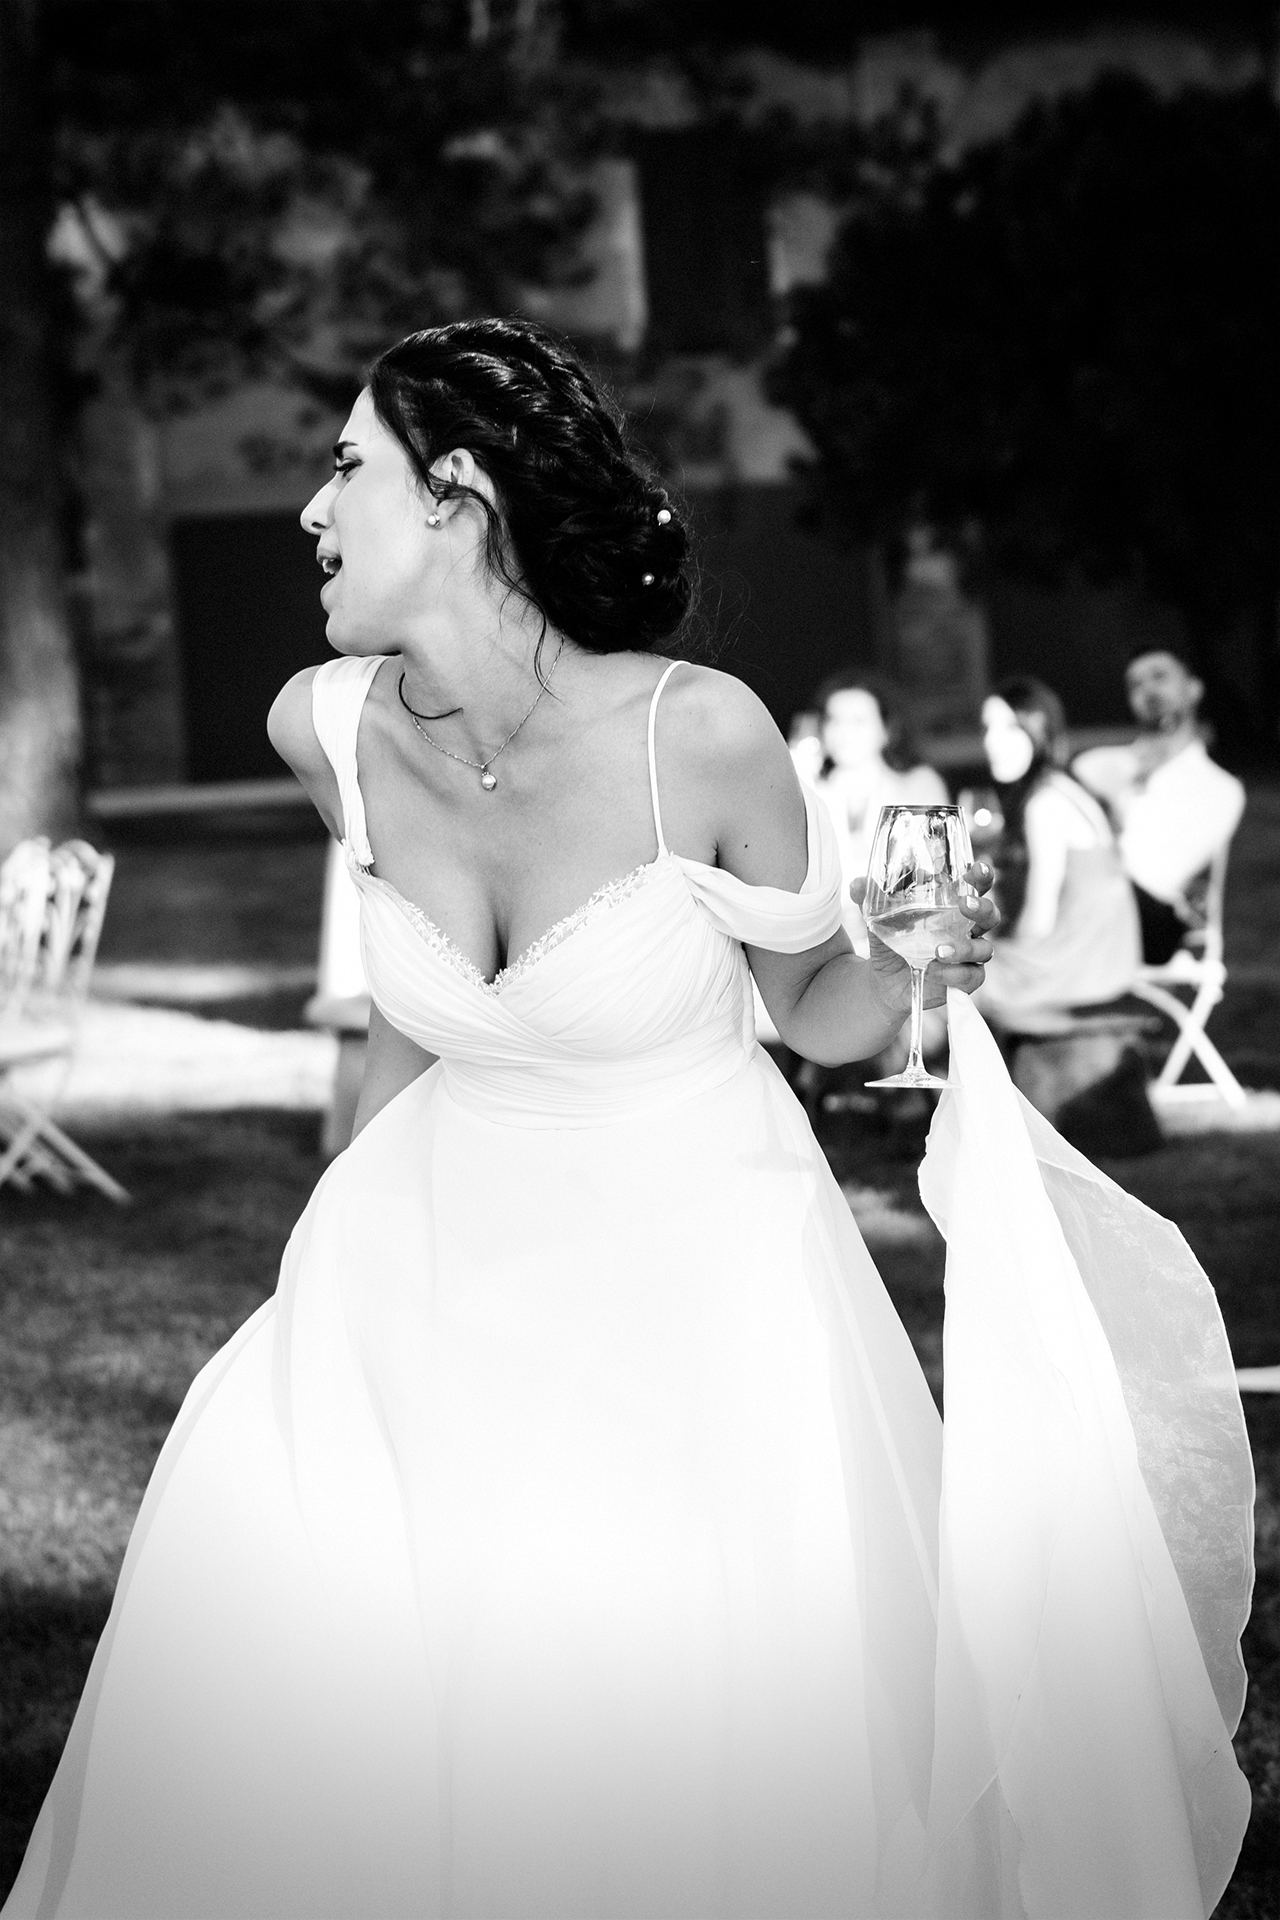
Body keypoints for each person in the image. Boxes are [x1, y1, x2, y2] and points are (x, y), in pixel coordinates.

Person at [4, 320, 1251, 1920]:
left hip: (695, 1308)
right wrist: (325, 1276)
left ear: (456, 495)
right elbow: (411, 1022)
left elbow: (819, 1015)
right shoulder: (322, 727)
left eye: (345, 467)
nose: (311, 509)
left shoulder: (699, 734)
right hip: (417, 1281)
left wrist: (911, 964)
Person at [977, 677, 1141, 1034]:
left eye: (1010, 727)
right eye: (987, 728)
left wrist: (1005, 951)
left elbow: (1040, 916)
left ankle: (892, 1064)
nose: (992, 741)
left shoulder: (1045, 804)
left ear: (1040, 730)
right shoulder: (1063, 787)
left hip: (1076, 968)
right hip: (1106, 962)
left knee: (950, 975)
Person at [1073, 646, 1245, 964]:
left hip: (1147, 918)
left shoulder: (1218, 788)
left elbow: (1159, 876)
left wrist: (1119, 802)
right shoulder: (1098, 765)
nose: (1148, 690)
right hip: (1088, 901)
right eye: (1136, 684)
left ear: (1193, 689)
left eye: (1159, 677)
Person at [811, 668, 949, 922]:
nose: (843, 732)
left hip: (904, 924)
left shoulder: (917, 786)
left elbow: (936, 874)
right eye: (834, 720)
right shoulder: (811, 791)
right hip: (829, 929)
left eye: (858, 721)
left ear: (887, 729)